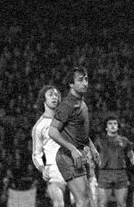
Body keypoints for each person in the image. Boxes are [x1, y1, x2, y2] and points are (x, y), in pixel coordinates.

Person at [49, 67, 100, 207]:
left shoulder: (81, 102)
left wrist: (92, 147)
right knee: (83, 200)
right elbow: (52, 131)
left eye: (86, 79)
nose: (85, 83)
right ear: (71, 84)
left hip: (78, 155)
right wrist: (72, 149)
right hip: (67, 157)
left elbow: (80, 132)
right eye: (80, 80)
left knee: (87, 199)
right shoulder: (67, 105)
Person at [32, 84, 68, 207]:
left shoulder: (67, 121)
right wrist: (42, 169)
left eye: (57, 95)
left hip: (73, 167)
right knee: (59, 203)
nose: (55, 97)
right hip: (55, 169)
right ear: (44, 99)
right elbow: (36, 154)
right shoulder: (39, 126)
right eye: (51, 95)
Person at [94, 115, 134, 207]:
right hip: (104, 174)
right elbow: (92, 156)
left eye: (115, 123)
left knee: (122, 204)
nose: (113, 125)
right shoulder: (99, 141)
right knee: (102, 204)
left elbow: (131, 155)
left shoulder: (124, 141)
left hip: (121, 174)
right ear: (106, 127)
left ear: (118, 126)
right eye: (110, 124)